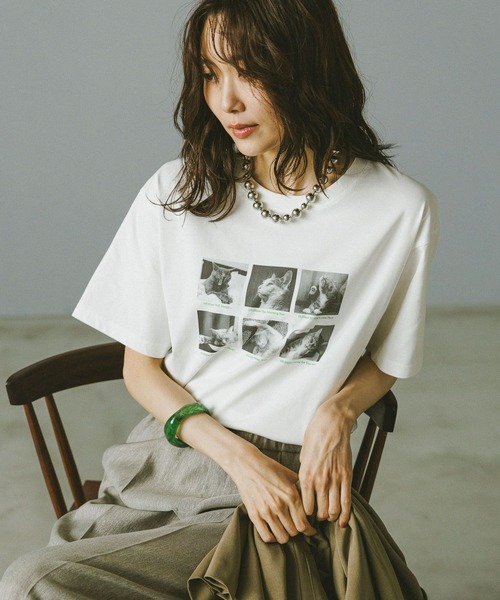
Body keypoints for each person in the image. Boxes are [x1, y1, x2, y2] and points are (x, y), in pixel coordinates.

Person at [1, 0, 438, 598]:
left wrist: (337, 413)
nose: (226, 100)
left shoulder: (397, 209)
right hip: (170, 455)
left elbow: (388, 359)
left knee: (33, 582)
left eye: (250, 72)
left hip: (285, 483)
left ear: (308, 66)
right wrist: (238, 459)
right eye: (210, 74)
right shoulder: (178, 190)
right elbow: (141, 369)